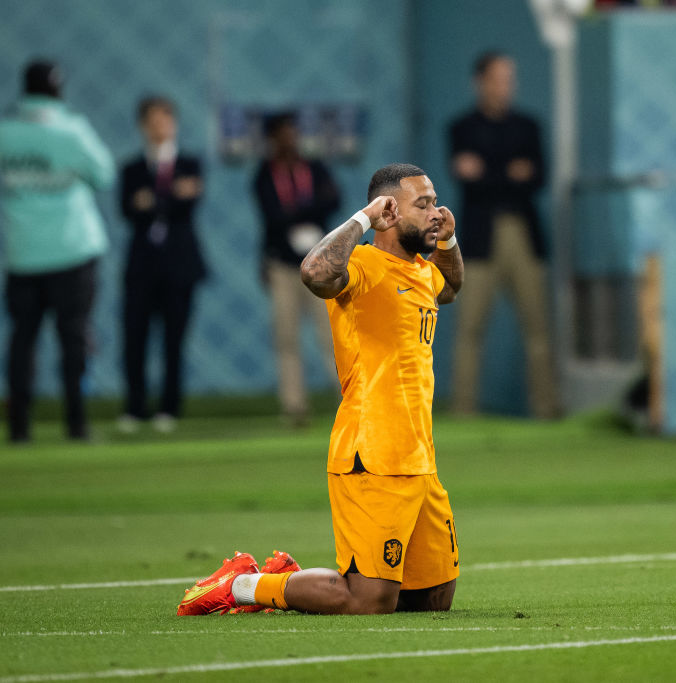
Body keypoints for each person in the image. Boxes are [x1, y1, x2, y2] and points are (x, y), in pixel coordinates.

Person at [177, 163, 464, 615]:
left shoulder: (421, 272)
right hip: (372, 456)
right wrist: (363, 218)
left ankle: (282, 580)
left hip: (419, 459)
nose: (435, 212)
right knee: (367, 600)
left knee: (432, 599)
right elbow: (312, 272)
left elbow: (450, 288)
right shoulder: (364, 266)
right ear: (390, 211)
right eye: (422, 205)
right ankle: (244, 586)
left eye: (435, 201)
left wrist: (447, 239)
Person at [0, 59, 114, 443]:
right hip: (73, 249)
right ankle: (76, 424)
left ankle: (18, 428)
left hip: (23, 252)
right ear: (58, 89)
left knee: (22, 339)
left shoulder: (5, 132)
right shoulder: (72, 130)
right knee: (74, 338)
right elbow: (104, 174)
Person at [448, 51, 559, 418]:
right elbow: (468, 180)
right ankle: (464, 409)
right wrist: (509, 174)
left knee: (538, 327)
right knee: (470, 328)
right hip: (481, 238)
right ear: (479, 81)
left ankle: (546, 407)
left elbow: (537, 178)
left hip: (522, 234)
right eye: (498, 79)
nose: (505, 87)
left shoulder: (527, 126)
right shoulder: (461, 127)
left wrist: (487, 172)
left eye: (509, 79)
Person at [117, 96, 206, 434]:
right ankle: (134, 408)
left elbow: (188, 207)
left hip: (180, 267)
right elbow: (129, 211)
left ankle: (169, 408)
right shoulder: (131, 169)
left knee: (174, 341)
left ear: (174, 124)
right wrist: (170, 195)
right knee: (135, 339)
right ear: (143, 126)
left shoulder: (190, 163)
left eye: (165, 120)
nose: (159, 127)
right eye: (152, 121)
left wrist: (152, 199)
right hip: (141, 268)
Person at [252, 112, 341, 425]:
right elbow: (271, 217)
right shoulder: (265, 173)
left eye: (293, 132)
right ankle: (294, 406)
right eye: (283, 134)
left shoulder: (314, 168)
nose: (290, 139)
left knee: (331, 335)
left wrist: (295, 210)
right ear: (272, 139)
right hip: (282, 264)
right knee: (286, 337)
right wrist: (304, 210)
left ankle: (348, 398)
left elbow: (333, 200)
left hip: (319, 263)